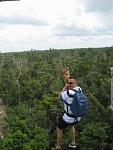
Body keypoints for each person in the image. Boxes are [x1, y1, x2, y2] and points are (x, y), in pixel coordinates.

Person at [56, 77, 82, 150]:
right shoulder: (79, 89)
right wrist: (69, 85)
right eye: (68, 83)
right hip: (77, 116)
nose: (69, 84)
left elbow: (59, 96)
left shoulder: (68, 93)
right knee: (72, 126)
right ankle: (73, 143)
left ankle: (58, 146)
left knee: (59, 128)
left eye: (71, 83)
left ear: (76, 83)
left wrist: (65, 87)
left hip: (69, 116)